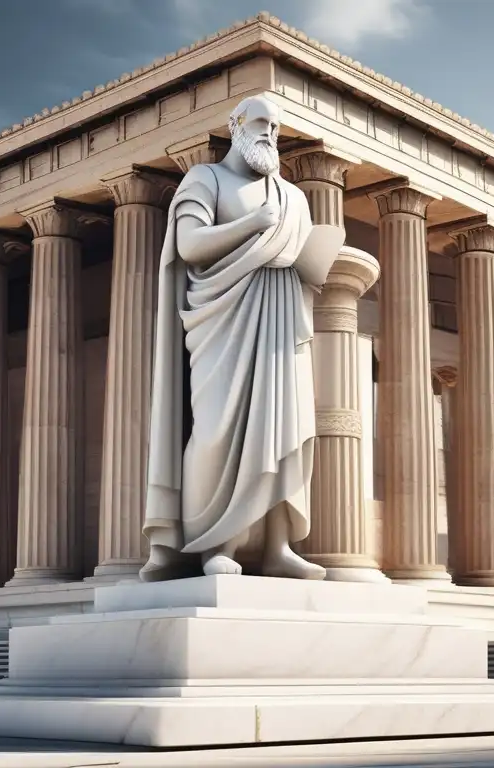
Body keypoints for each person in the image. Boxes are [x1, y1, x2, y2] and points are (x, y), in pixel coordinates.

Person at [140, 95, 329, 581]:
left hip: (282, 323)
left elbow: (301, 256)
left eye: (276, 127)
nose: (269, 133)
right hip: (222, 320)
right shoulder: (206, 179)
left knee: (283, 429)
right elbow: (189, 245)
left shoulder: (294, 196)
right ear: (236, 125)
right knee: (215, 431)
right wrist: (251, 225)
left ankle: (277, 547)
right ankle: (214, 544)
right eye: (261, 122)